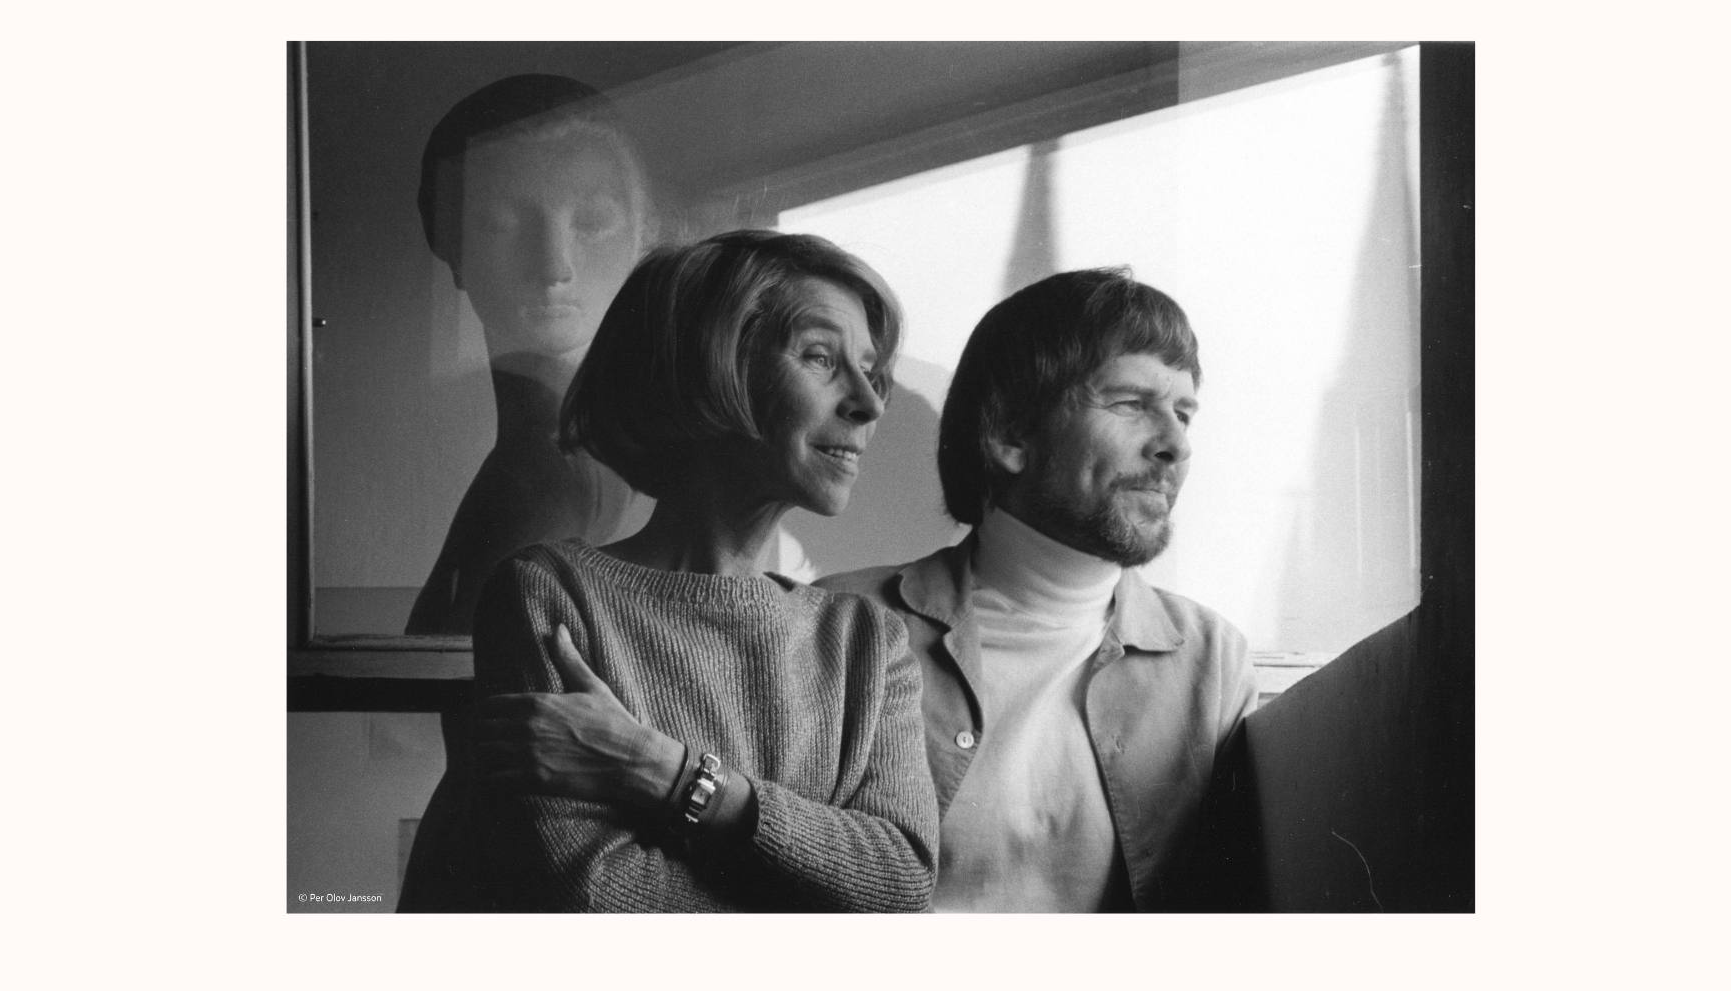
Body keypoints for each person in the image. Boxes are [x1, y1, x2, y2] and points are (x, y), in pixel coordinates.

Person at [401, 230, 937, 912]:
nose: (871, 403)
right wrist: (819, 891)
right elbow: (592, 895)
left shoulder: (868, 642)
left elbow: (901, 883)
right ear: (708, 370)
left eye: (869, 369)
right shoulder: (552, 595)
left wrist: (660, 771)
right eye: (821, 358)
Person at [814, 268, 1256, 911]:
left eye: (1183, 413)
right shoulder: (834, 622)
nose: (1175, 445)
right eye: (1131, 404)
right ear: (1010, 436)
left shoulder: (1215, 662)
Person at [407, 74, 656, 636]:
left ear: (643, 234)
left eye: (592, 222)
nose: (554, 266)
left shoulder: (552, 478)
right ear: (448, 240)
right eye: (503, 224)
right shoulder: (545, 462)